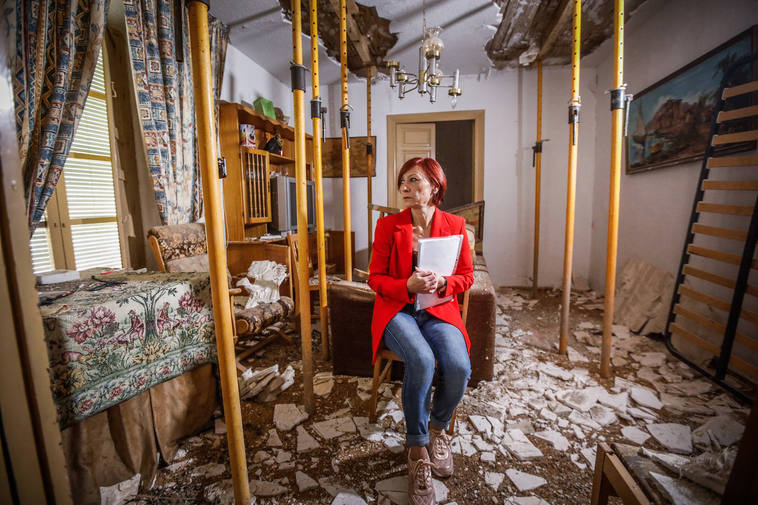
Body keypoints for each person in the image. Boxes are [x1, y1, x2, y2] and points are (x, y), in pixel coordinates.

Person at [368, 157, 474, 504]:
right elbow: (375, 279)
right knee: (422, 361)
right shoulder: (388, 226)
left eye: (414, 181)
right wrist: (408, 285)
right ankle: (417, 451)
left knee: (458, 366)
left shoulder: (456, 224)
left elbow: (467, 277)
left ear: (434, 185)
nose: (405, 188)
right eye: (403, 182)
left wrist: (444, 281)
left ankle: (438, 428)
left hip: (439, 310)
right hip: (398, 309)